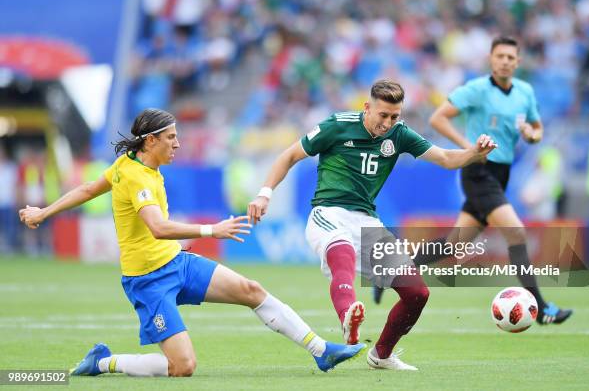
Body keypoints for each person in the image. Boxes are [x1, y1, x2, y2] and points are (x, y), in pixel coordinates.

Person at [19, 108, 364, 378]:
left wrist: (44, 211)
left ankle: (322, 350)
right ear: (151, 141)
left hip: (177, 264)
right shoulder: (137, 177)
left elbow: (88, 188)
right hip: (147, 281)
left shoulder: (127, 165)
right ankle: (105, 362)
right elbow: (156, 227)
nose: (177, 144)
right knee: (182, 367)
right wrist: (210, 231)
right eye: (171, 138)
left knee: (251, 289)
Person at [247, 79, 497, 370]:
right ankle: (348, 321)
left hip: (367, 221)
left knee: (418, 294)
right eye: (383, 115)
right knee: (343, 255)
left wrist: (474, 154)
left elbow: (444, 158)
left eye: (395, 116)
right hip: (328, 213)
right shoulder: (337, 125)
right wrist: (264, 194)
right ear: (367, 108)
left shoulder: (400, 134)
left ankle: (381, 355)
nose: (388, 123)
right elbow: (289, 155)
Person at [401, 36, 571, 325]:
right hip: (479, 171)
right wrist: (469, 148)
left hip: (501, 173)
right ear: (491, 60)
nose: (505, 61)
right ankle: (540, 308)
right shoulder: (477, 89)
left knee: (455, 244)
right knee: (516, 233)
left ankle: (394, 270)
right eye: (500, 56)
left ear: (518, 62)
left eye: (510, 57)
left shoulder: (525, 92)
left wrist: (533, 135)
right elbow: (438, 119)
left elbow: (537, 128)